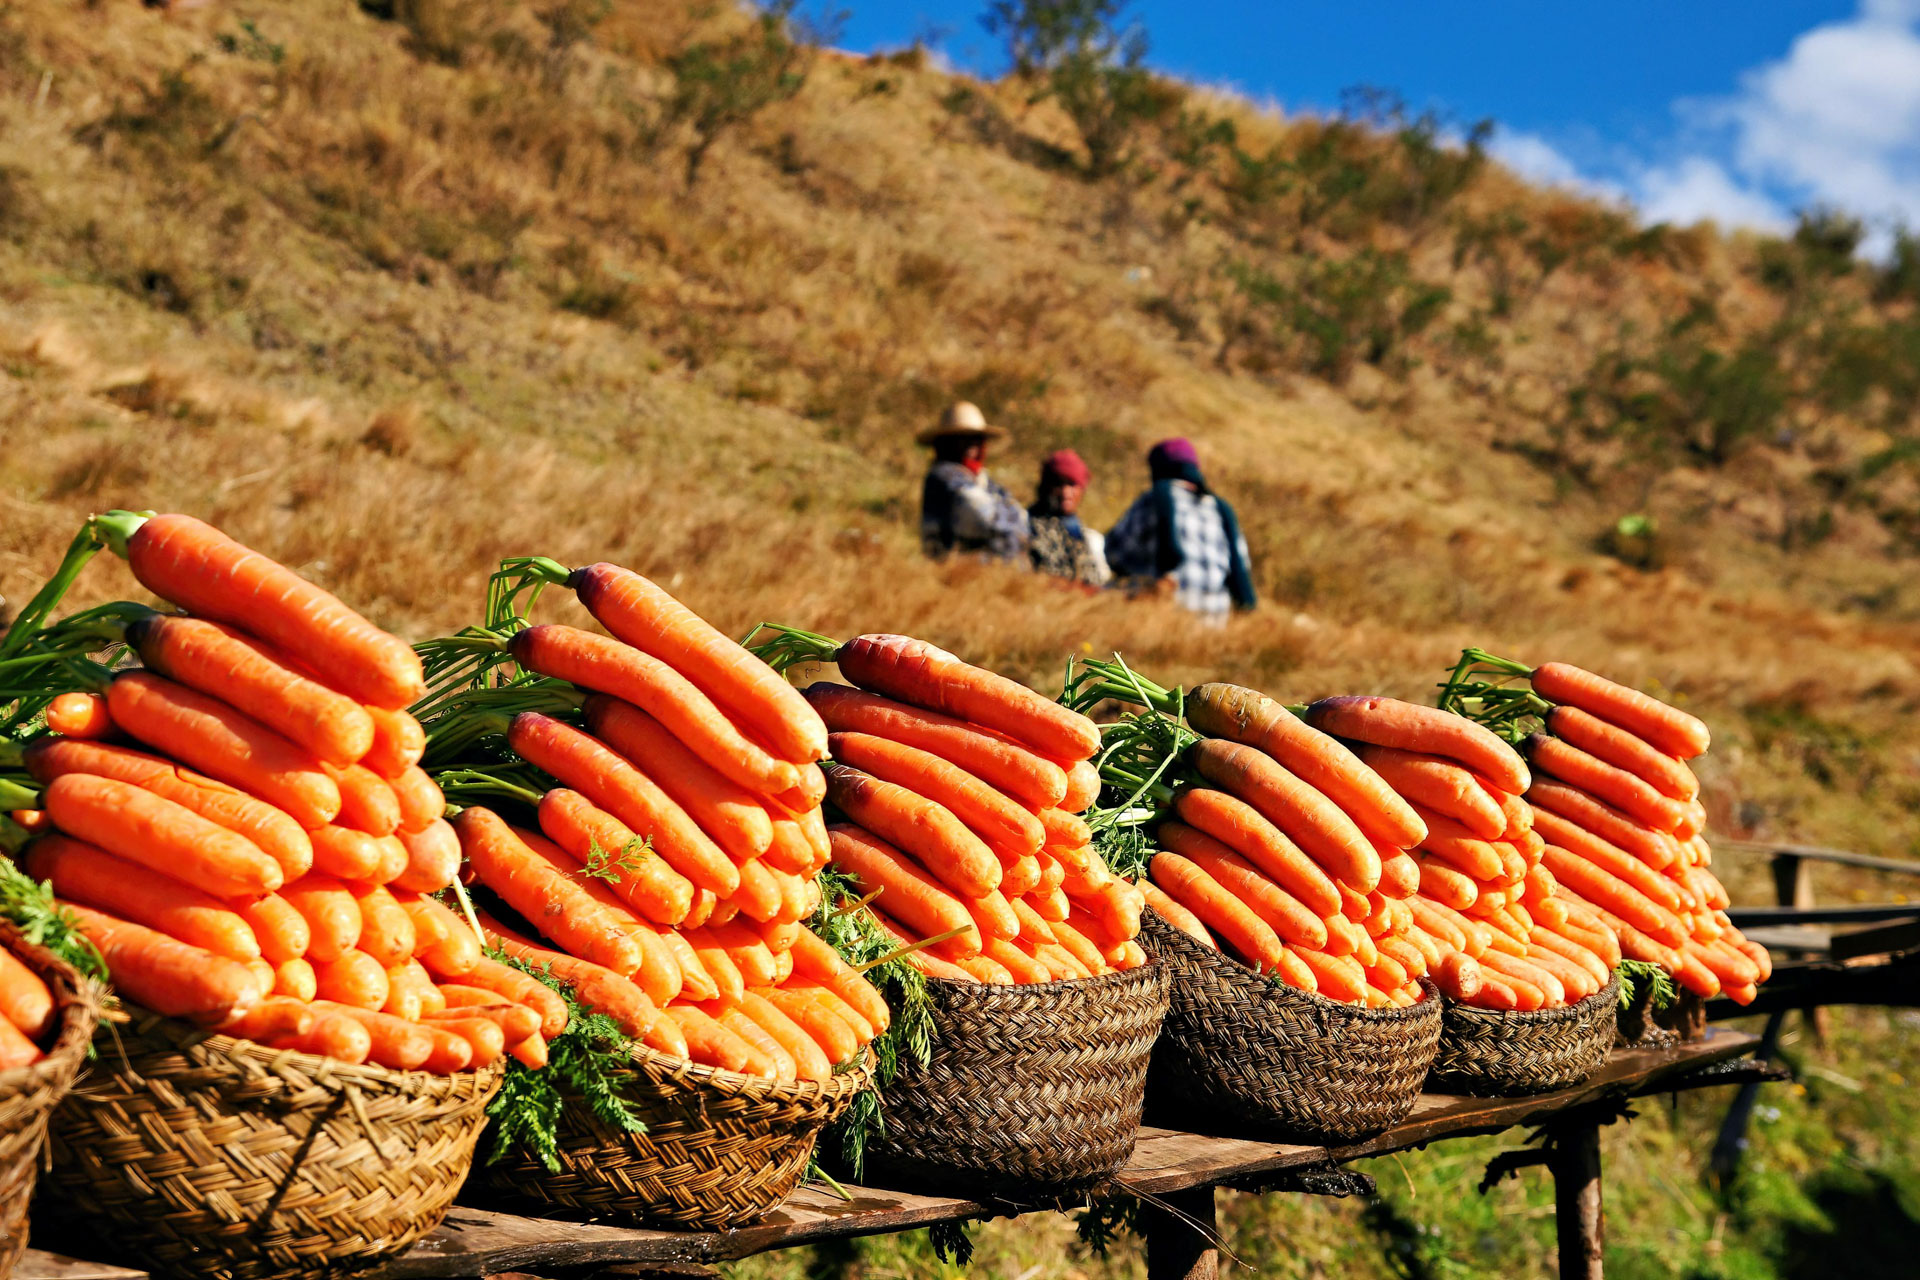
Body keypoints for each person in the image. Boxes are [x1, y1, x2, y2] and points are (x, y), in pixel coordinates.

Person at [1105, 438, 1257, 617]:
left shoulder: (1155, 499)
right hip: (1216, 622)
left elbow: (1114, 554)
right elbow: (1242, 565)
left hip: (1166, 612)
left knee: (1106, 592)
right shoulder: (1221, 509)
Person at [918, 402, 1028, 562]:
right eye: (963, 439)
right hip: (953, 574)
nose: (972, 446)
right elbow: (985, 516)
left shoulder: (980, 479)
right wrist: (1012, 521)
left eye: (976, 439)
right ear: (947, 443)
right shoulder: (943, 477)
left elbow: (1022, 517)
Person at [1027, 449, 1109, 587]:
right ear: (1047, 486)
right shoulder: (1031, 527)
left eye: (1072, 484)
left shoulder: (1087, 537)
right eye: (1058, 484)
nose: (1065, 493)